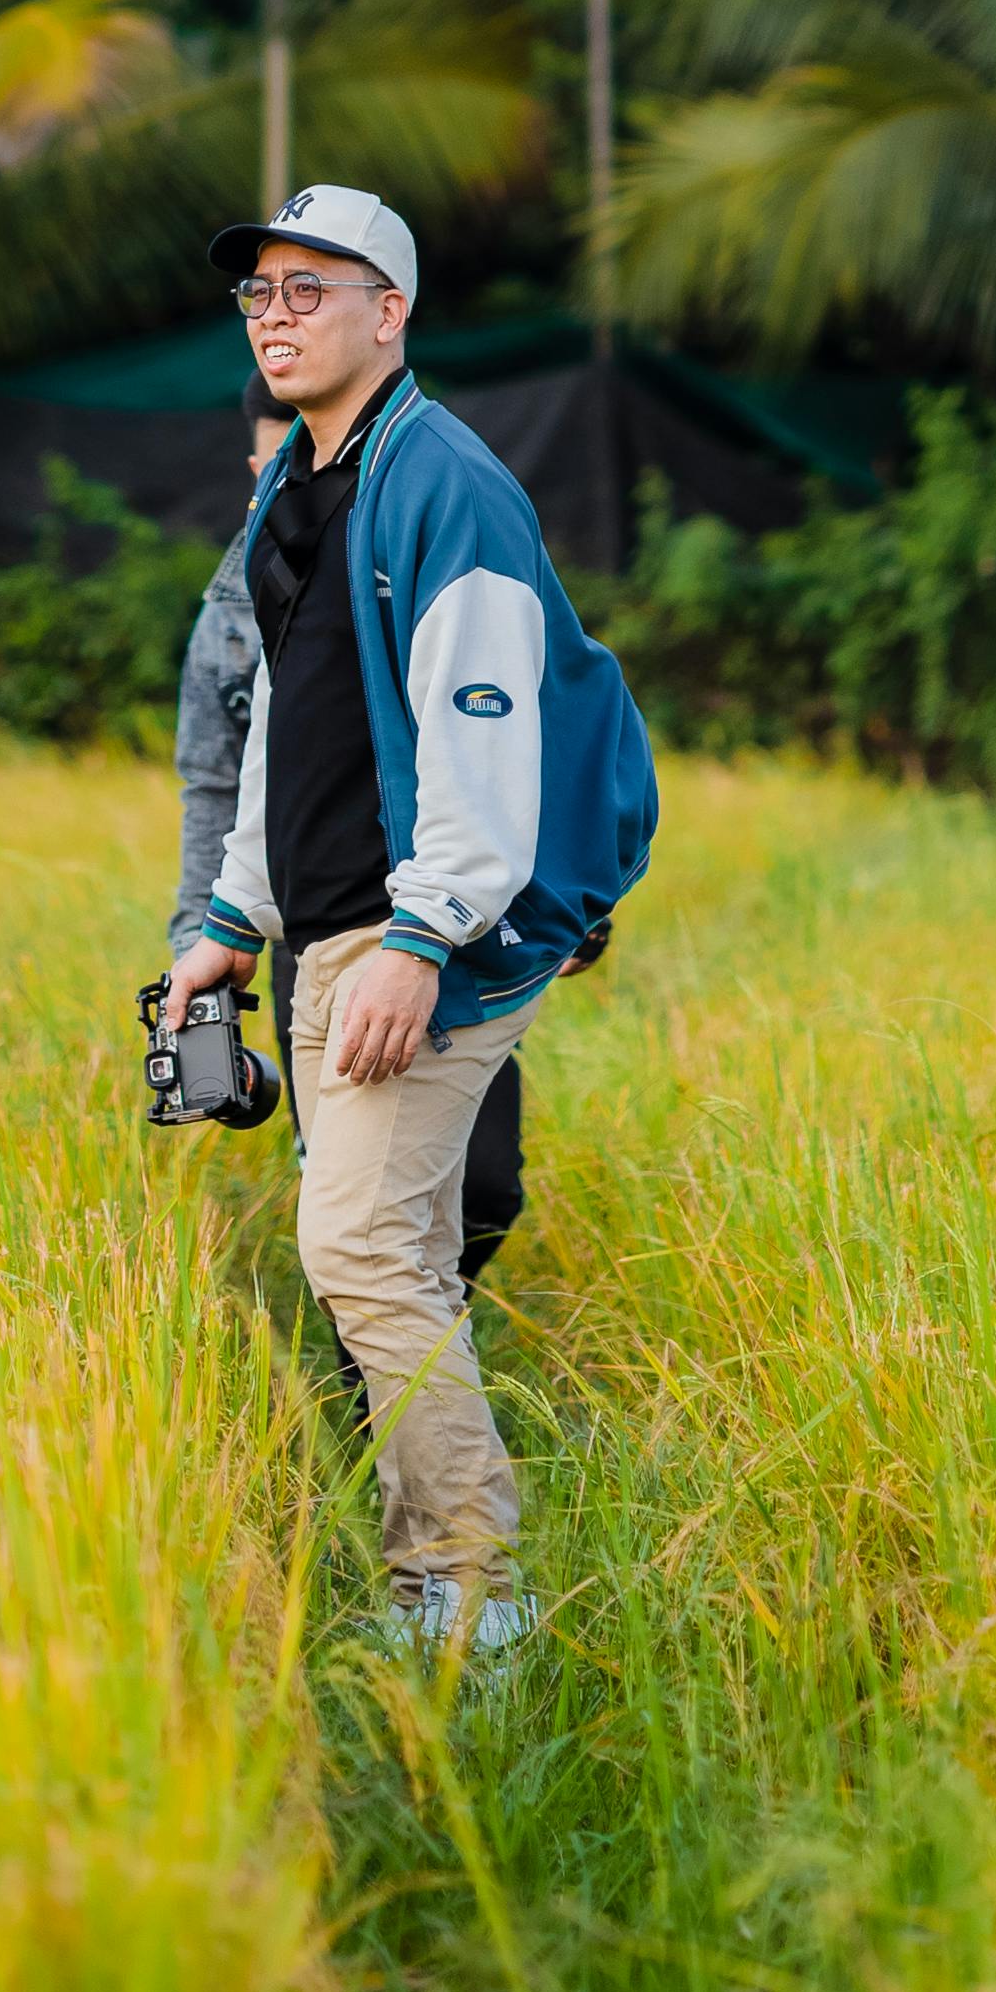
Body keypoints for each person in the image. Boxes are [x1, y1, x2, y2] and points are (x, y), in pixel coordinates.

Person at [163, 181, 656, 1657]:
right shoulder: (299, 483)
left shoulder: (445, 482)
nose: (279, 313)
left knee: (363, 1255)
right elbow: (280, 738)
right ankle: (426, 1581)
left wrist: (421, 940)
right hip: (326, 935)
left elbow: (482, 740)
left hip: (417, 946)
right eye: (261, 292)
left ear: (394, 311)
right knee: (402, 1255)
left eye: (315, 288)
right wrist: (232, 917)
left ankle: (471, 1600)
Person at [171, 406, 529, 1287]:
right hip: (303, 918)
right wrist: (211, 927)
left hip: (433, 918)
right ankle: (376, 1399)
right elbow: (225, 777)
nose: (283, 463)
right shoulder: (247, 582)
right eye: (270, 446)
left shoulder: (427, 506)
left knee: (462, 1198)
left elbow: (498, 730)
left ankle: (411, 1360)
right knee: (354, 1224)